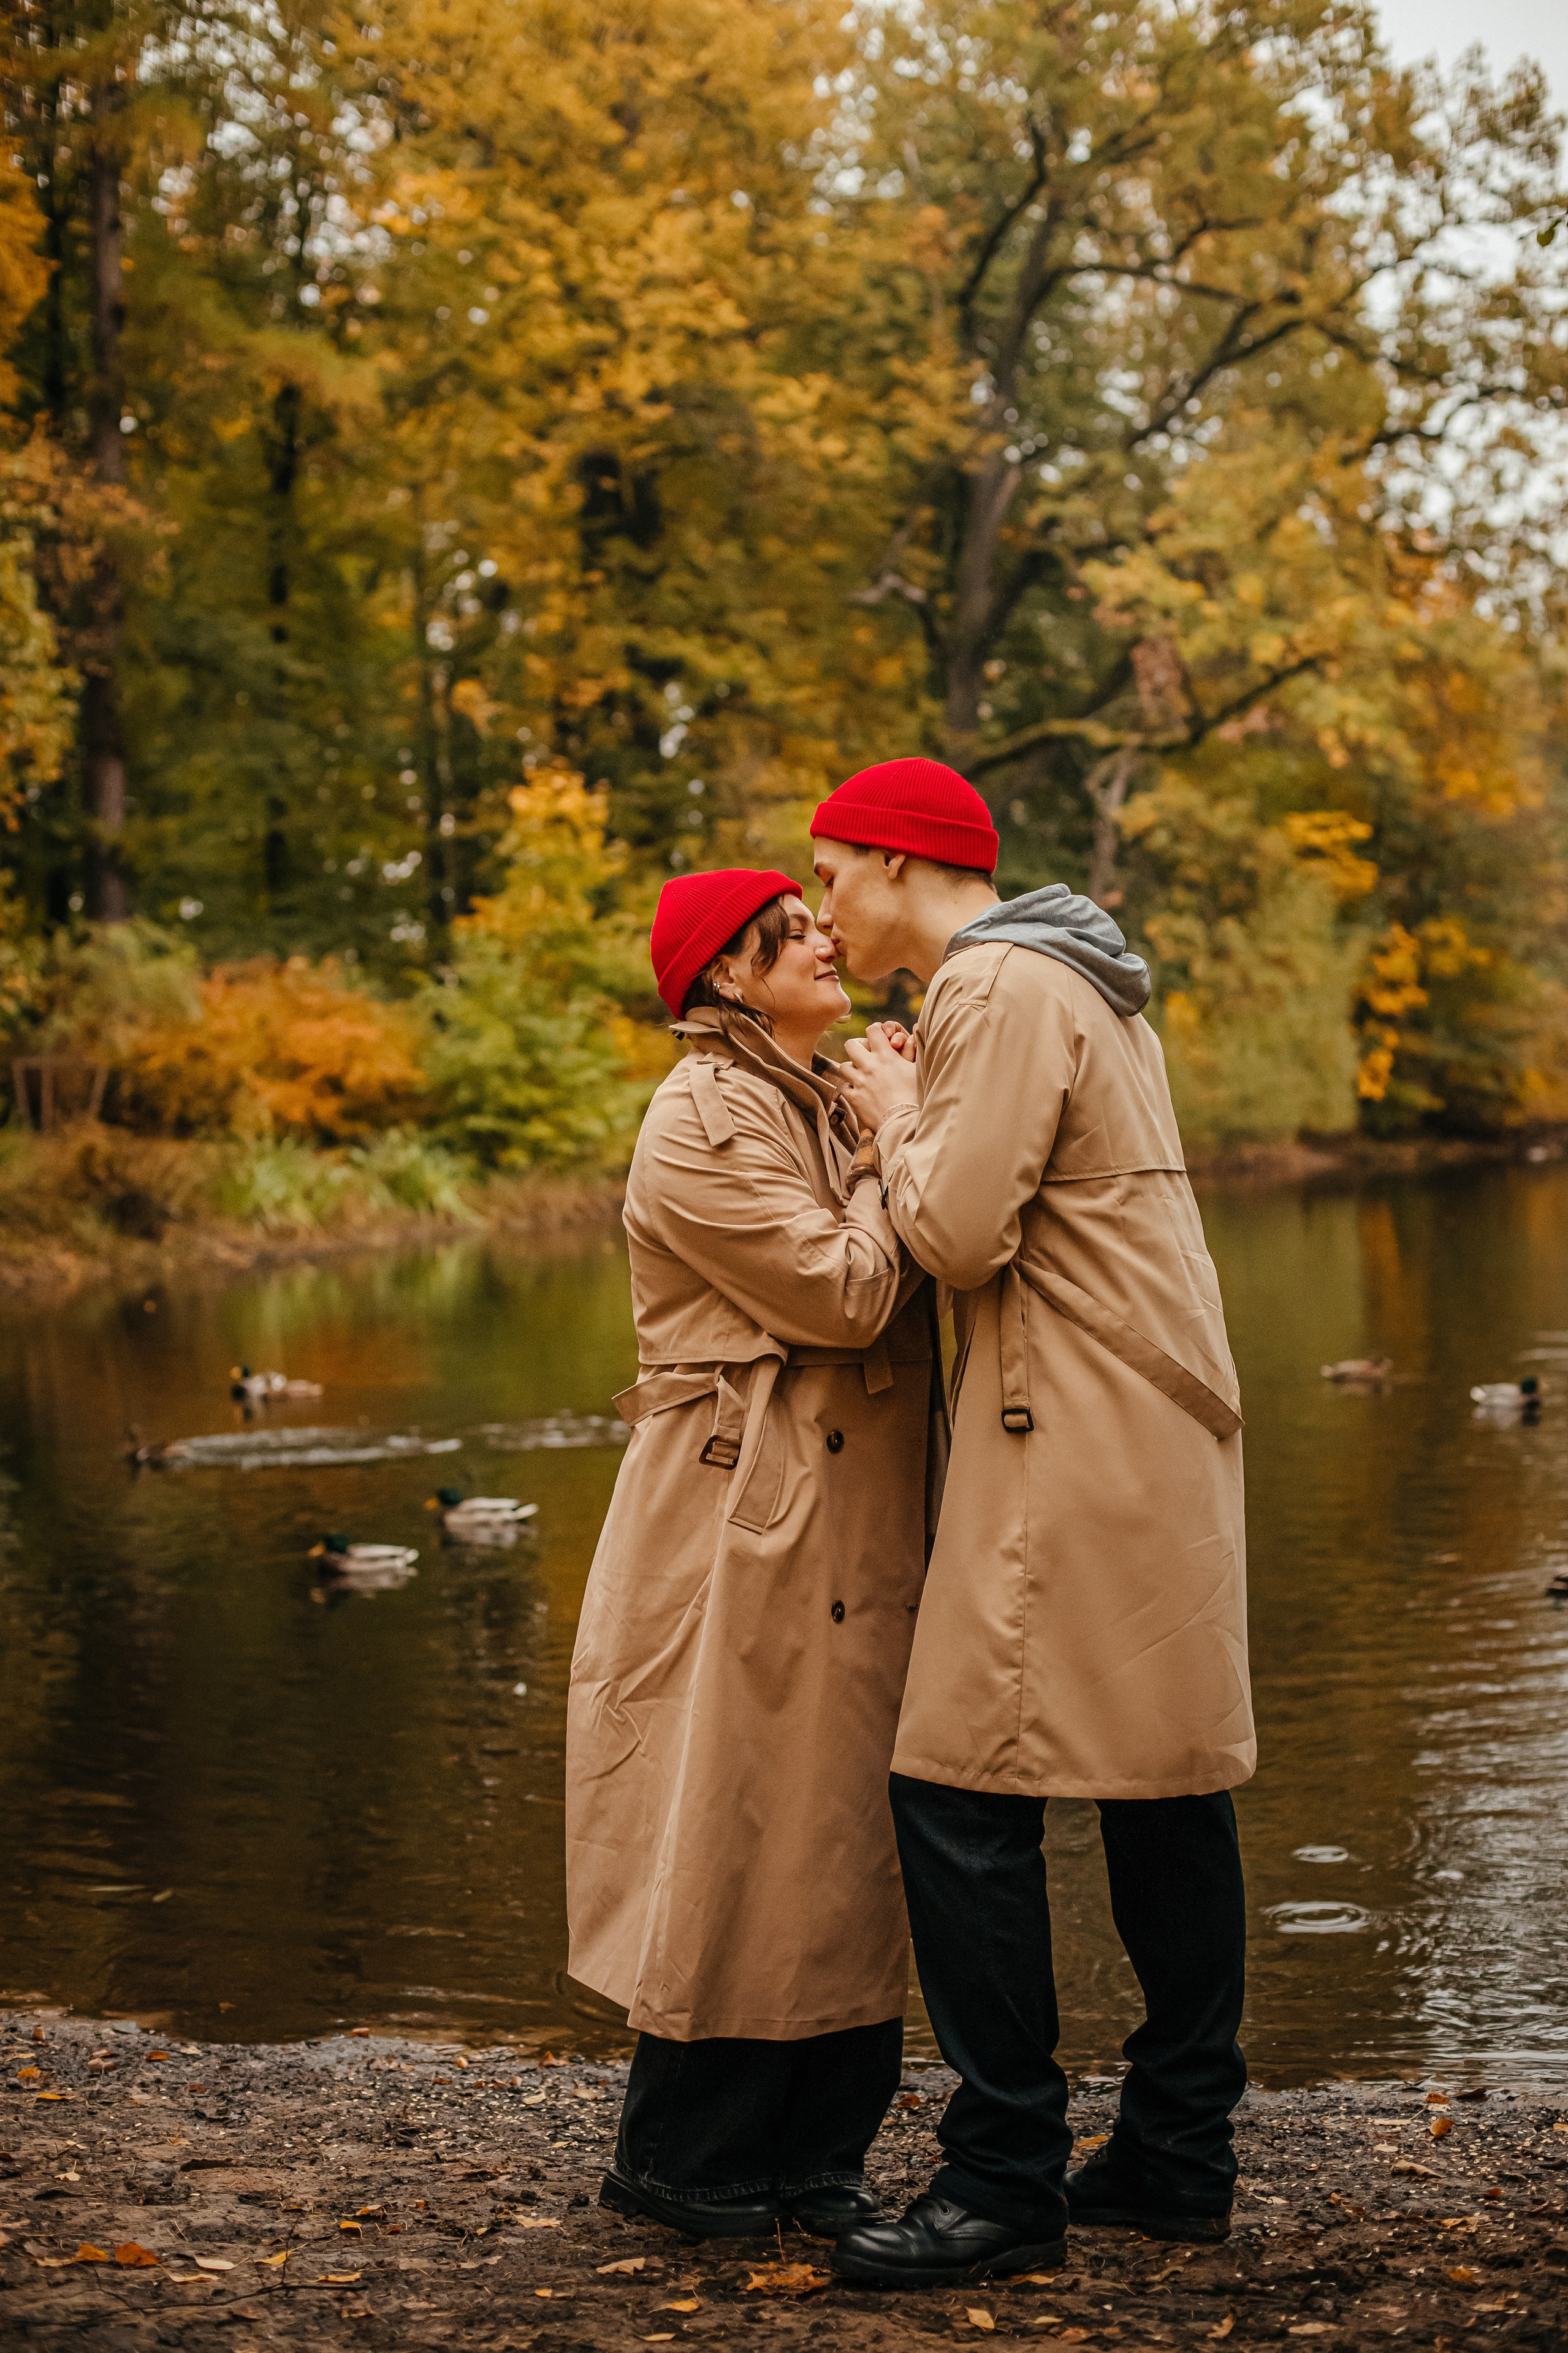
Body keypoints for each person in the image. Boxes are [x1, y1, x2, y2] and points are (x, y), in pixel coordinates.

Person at [811, 758, 1254, 2288]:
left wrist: (887, 1106)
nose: (820, 906)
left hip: (1064, 1428)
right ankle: (1180, 2150)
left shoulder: (989, 987)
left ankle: (1003, 2176)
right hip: (1151, 1421)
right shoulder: (1090, 974)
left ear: (896, 859)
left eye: (830, 874)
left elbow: (954, 1231)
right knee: (1160, 1786)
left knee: (953, 1794)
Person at [566, 866, 942, 2243]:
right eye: (792, 935)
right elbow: (842, 1295)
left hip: (858, 1511)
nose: (828, 941)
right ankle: (692, 2162)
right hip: (745, 1512)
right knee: (739, 1829)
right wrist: (901, 1148)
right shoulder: (697, 1116)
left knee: (844, 1833)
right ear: (726, 977)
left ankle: (813, 2159)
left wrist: (899, 1112)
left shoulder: (824, 1086)